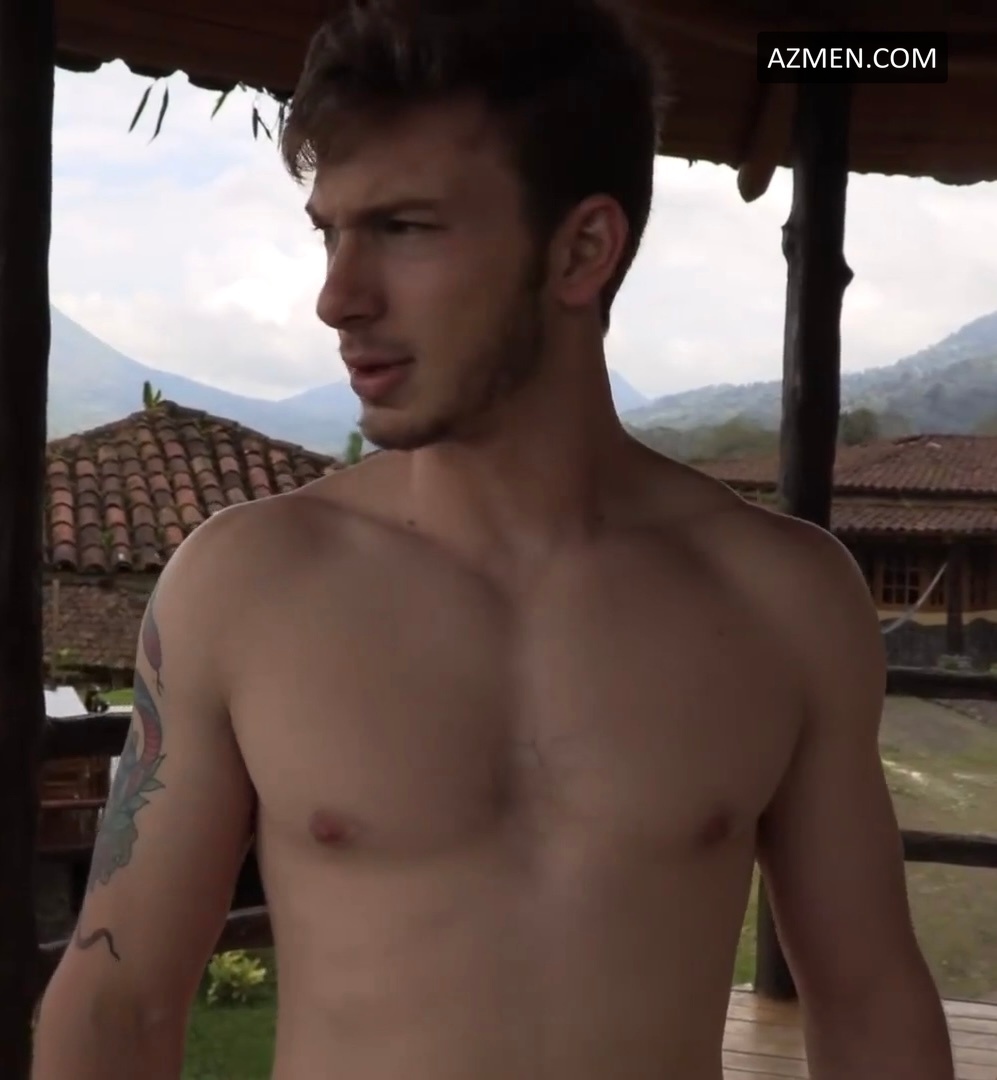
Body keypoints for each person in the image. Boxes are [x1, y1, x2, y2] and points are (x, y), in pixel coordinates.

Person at [33, 1, 955, 1077]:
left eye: (405, 228)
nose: (338, 296)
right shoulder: (244, 586)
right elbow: (117, 998)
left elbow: (869, 1000)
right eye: (330, 232)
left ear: (581, 250)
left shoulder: (783, 598)